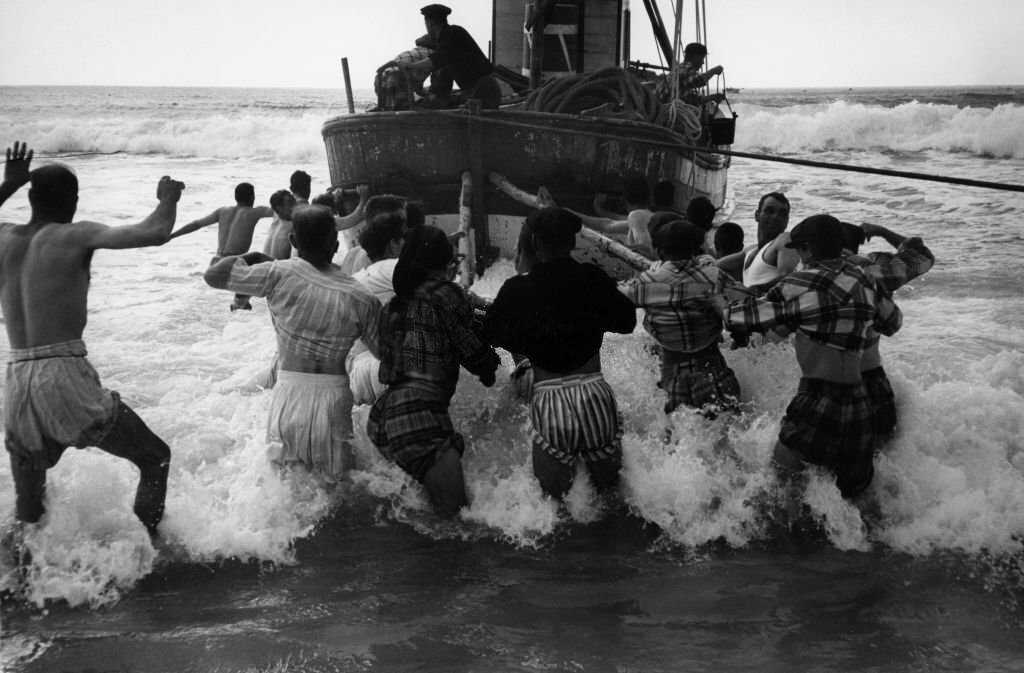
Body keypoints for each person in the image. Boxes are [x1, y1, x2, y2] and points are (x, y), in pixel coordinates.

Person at [0, 143, 182, 539]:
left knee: (29, 509)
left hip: (16, 380)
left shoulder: (5, 238)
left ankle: (25, 585)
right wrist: (168, 200)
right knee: (155, 458)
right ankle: (150, 554)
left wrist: (8, 184)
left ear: (29, 198)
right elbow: (154, 233)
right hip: (62, 374)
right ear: (74, 200)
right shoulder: (73, 236)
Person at [725, 215, 903, 501]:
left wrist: (721, 302)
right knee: (852, 499)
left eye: (799, 250)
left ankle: (792, 544)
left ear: (807, 249)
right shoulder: (865, 279)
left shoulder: (799, 282)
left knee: (781, 485)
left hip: (819, 398)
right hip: (861, 402)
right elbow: (893, 323)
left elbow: (741, 318)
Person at [204, 205, 382, 481]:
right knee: (338, 490)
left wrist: (249, 256)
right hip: (333, 398)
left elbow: (213, 275)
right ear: (335, 244)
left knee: (287, 488)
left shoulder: (278, 273)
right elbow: (384, 352)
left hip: (288, 393)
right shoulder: (360, 296)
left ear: (293, 242)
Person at [483, 207, 637, 499]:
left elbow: (493, 334)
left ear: (536, 243)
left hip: (550, 398)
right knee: (611, 499)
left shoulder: (517, 288)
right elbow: (627, 323)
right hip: (595, 394)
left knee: (554, 508)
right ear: (573, 242)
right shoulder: (592, 278)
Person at [367, 225, 500, 517]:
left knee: (428, 516)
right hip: (419, 415)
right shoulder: (444, 294)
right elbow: (469, 343)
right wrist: (489, 366)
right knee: (457, 521)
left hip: (384, 418)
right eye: (453, 262)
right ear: (442, 266)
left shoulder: (392, 308)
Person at [620, 219, 751, 416]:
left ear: (658, 251)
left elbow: (615, 304)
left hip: (673, 379)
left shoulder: (644, 284)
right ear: (696, 248)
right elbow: (744, 305)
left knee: (676, 442)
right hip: (713, 372)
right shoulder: (713, 275)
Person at [841, 220, 935, 440]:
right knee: (879, 457)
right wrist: (882, 232)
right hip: (872, 379)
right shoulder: (875, 268)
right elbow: (921, 254)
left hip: (830, 385)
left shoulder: (811, 274)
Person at [169, 182, 274, 311]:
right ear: (252, 197)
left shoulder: (222, 211)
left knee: (252, 266)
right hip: (231, 268)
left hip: (213, 267)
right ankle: (239, 302)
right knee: (262, 259)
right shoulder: (254, 212)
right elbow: (280, 211)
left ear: (236, 197)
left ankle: (240, 302)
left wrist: (172, 235)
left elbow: (196, 224)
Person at [346, 209, 407, 406]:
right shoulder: (397, 267)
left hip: (356, 372)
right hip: (388, 368)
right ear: (392, 245)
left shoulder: (355, 279)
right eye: (404, 238)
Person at [399, 4, 502, 110]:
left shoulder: (453, 34)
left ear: (430, 23)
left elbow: (437, 59)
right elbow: (445, 77)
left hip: (483, 90)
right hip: (477, 91)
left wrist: (411, 66)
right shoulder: (447, 44)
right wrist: (433, 95)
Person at [716, 191, 796, 295]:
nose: (775, 217)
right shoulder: (750, 251)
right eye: (770, 211)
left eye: (782, 214)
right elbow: (714, 267)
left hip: (762, 306)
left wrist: (752, 290)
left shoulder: (785, 240)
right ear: (757, 215)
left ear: (787, 221)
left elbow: (789, 280)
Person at [572, 175, 655, 258]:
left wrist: (618, 248)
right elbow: (608, 224)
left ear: (624, 197)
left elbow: (646, 248)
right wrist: (569, 212)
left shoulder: (636, 216)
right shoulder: (645, 216)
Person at [263, 189, 296, 260]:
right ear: (279, 208)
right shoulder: (291, 227)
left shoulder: (275, 223)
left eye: (294, 203)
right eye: (291, 204)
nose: (295, 206)